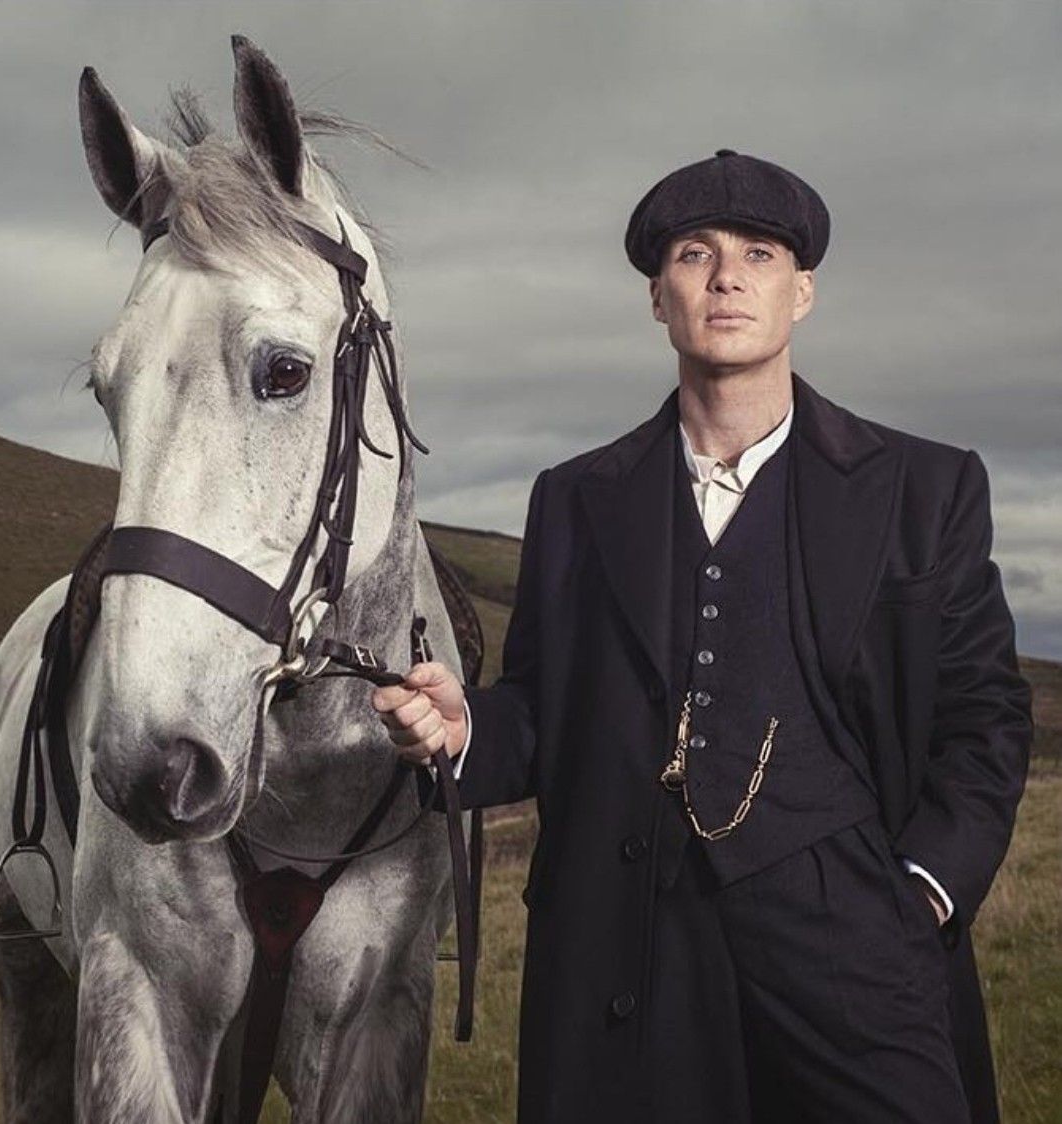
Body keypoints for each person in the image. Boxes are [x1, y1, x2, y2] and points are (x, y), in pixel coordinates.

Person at [371, 149, 1033, 1123]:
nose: (726, 275)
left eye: (758, 254)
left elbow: (984, 715)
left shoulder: (923, 490)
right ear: (658, 296)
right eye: (694, 253)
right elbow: (547, 710)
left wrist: (922, 894)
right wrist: (463, 724)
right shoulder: (575, 496)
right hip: (629, 958)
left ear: (800, 290)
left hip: (857, 944)